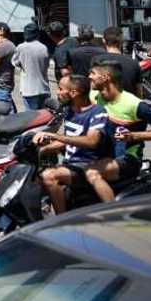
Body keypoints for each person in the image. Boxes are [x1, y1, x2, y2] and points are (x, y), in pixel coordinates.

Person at [87, 61, 151, 202]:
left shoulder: (134, 104)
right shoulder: (92, 97)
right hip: (98, 155)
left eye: (93, 74)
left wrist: (133, 136)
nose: (89, 77)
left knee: (90, 173)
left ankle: (109, 212)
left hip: (126, 159)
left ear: (106, 77)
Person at [35, 75, 108, 214]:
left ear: (74, 93)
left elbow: (92, 141)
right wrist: (42, 149)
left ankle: (62, 220)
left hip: (88, 165)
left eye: (61, 89)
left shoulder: (97, 112)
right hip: (70, 164)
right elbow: (67, 139)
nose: (57, 92)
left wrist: (55, 136)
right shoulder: (69, 111)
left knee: (49, 176)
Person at [91, 26, 141, 94]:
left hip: (103, 103)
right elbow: (139, 92)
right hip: (128, 103)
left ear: (103, 40)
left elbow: (93, 87)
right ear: (122, 41)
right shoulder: (133, 63)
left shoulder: (96, 60)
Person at [13, 23, 51, 110]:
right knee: (43, 117)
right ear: (37, 34)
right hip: (44, 88)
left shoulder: (21, 47)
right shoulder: (44, 47)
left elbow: (15, 62)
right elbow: (46, 65)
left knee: (31, 119)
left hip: (29, 90)